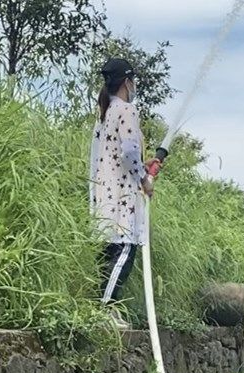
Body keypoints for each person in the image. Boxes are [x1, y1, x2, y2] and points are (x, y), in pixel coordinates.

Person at [90, 57, 156, 329]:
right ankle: (104, 309)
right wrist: (144, 179)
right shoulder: (127, 109)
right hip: (121, 193)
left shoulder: (105, 115)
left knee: (110, 249)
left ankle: (103, 308)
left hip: (104, 190)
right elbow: (129, 152)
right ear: (127, 82)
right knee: (126, 249)